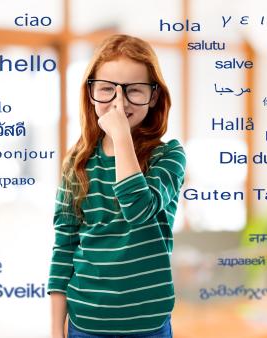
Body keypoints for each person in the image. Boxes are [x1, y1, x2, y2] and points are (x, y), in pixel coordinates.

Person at [47, 34, 186, 338]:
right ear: (91, 93)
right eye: (107, 89)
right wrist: (57, 331)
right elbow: (64, 248)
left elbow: (138, 209)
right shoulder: (77, 163)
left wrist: (121, 137)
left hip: (148, 325)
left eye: (134, 90)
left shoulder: (170, 155)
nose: (119, 103)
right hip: (86, 325)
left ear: (153, 96)